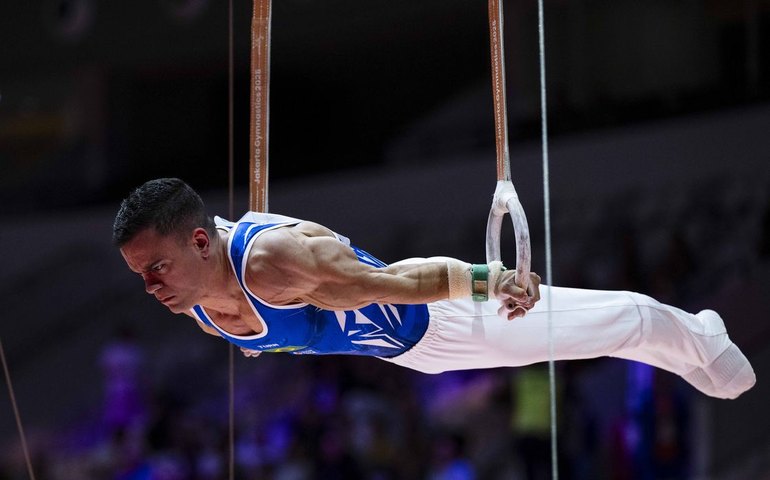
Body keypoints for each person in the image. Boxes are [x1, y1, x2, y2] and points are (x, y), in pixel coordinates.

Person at [113, 178, 755, 400]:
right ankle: (689, 344)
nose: (148, 288)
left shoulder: (275, 266)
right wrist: (257, 342)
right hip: (411, 354)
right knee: (604, 337)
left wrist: (490, 279)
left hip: (442, 316)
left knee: (622, 322)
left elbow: (397, 280)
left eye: (156, 269)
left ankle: (701, 331)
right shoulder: (198, 306)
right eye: (139, 274)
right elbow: (270, 333)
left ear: (200, 243)